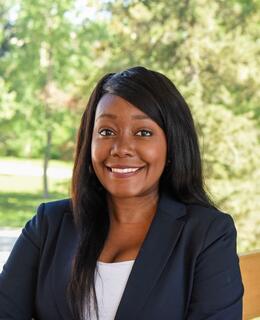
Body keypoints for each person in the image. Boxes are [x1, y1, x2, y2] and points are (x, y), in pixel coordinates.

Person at [0, 66, 244, 320]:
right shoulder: (49, 224)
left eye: (143, 133)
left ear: (172, 145)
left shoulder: (208, 234)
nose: (121, 148)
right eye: (107, 132)